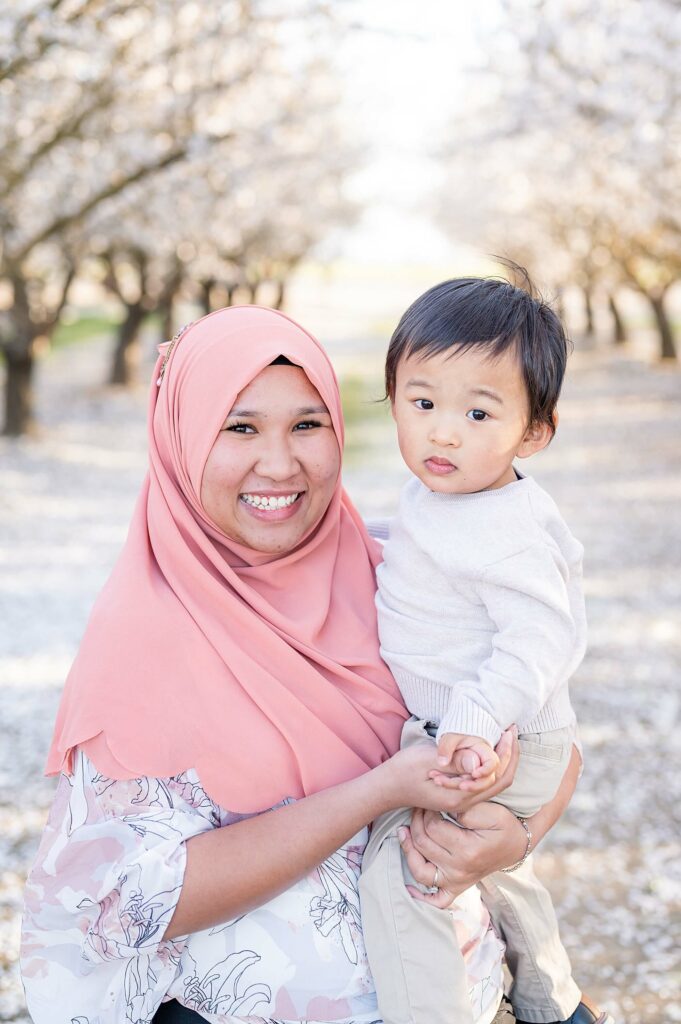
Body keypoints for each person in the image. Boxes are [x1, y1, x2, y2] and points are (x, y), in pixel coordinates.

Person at [20, 305, 580, 1024]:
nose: (280, 464)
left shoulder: (392, 569)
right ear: (182, 438)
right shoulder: (143, 635)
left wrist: (515, 838)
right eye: (240, 427)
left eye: (308, 425)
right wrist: (377, 792)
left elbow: (553, 744)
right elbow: (122, 904)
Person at [359, 277, 613, 1024]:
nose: (442, 432)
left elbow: (542, 634)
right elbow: (422, 546)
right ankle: (552, 1002)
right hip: (492, 729)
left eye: (477, 412)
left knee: (407, 873)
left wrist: (472, 717)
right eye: (422, 402)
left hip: (496, 732)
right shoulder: (446, 496)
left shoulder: (504, 528)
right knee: (502, 873)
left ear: (533, 432)